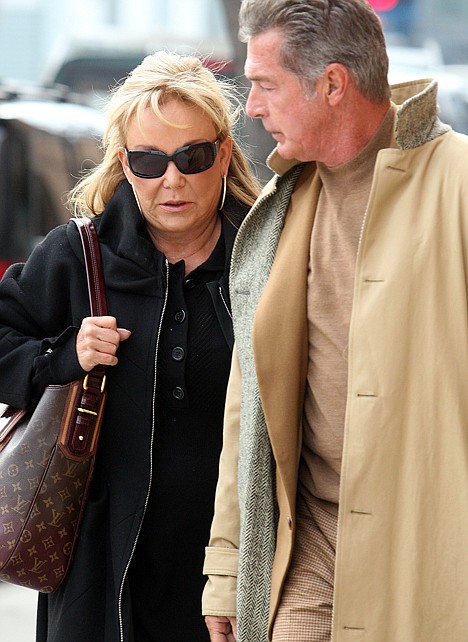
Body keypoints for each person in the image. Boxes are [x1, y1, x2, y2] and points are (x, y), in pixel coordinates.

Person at [202, 1, 468, 641]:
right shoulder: (278, 209)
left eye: (265, 85)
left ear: (332, 84)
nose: (252, 108)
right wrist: (230, 570)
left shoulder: (458, 184)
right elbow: (250, 404)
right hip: (307, 538)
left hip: (427, 544)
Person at [0, 50, 260, 641]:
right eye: (149, 161)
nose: (172, 180)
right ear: (124, 163)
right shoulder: (78, 257)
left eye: (192, 157)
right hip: (102, 579)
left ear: (222, 154)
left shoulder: (263, 255)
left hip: (232, 571)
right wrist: (63, 356)